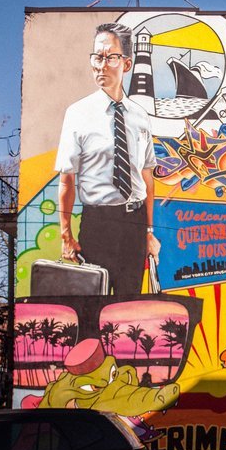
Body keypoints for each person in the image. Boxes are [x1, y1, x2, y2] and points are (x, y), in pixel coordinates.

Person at [54, 22, 160, 296]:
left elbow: (147, 179)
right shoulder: (78, 114)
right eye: (96, 57)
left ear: (126, 64)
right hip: (97, 225)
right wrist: (66, 234)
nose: (101, 65)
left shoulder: (139, 116)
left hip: (134, 225)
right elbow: (67, 180)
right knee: (93, 311)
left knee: (129, 313)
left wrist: (148, 231)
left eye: (109, 57)